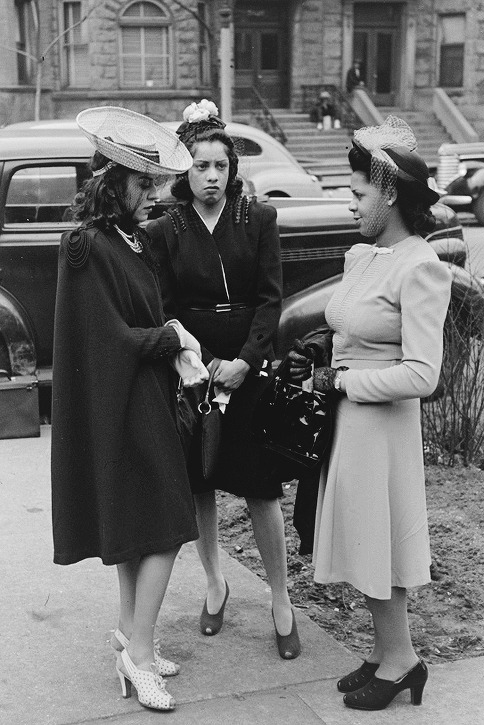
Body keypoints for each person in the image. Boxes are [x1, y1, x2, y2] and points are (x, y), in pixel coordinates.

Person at [288, 116, 452, 710]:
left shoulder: (419, 265)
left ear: (389, 192)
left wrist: (345, 380)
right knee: (365, 542)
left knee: (381, 543)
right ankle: (389, 653)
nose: (350, 203)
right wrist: (318, 360)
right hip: (349, 424)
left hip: (381, 427)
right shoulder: (364, 257)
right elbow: (345, 328)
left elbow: (422, 374)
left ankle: (404, 659)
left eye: (358, 193)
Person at [51, 106, 209, 712]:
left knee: (141, 527)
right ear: (110, 181)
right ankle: (138, 657)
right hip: (121, 403)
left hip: (143, 397)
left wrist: (165, 334)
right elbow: (107, 340)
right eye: (144, 184)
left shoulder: (128, 238)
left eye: (155, 183)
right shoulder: (84, 245)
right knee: (168, 526)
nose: (154, 195)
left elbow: (135, 322)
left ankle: (130, 634)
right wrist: (172, 337)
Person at [147, 99, 301, 660]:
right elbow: (165, 304)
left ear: (233, 168)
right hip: (195, 374)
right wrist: (205, 363)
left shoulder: (258, 218)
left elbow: (269, 299)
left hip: (249, 370)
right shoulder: (164, 230)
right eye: (199, 167)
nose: (211, 177)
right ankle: (215, 583)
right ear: (183, 172)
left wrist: (245, 361)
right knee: (201, 483)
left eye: (220, 166)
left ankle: (281, 600)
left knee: (260, 487)